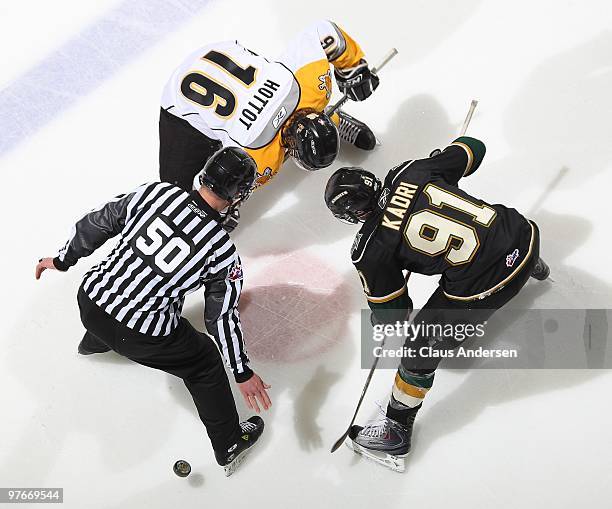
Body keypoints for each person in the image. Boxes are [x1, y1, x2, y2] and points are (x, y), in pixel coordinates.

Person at [35, 148, 270, 476]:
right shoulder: (221, 251)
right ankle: (229, 443)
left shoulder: (157, 193)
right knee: (204, 362)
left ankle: (93, 343)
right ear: (237, 194)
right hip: (141, 337)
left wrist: (62, 259)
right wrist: (242, 372)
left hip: (90, 302)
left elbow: (96, 222)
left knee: (126, 297)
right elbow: (220, 317)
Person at [324, 136, 550, 471]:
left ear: (353, 214)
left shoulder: (369, 248)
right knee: (494, 237)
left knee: (419, 347)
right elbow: (475, 147)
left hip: (495, 283)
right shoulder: (410, 171)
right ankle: (534, 265)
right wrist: (440, 160)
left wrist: (381, 315)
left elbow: (397, 315)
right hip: (526, 236)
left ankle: (396, 432)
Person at [160, 20, 380, 230]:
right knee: (177, 194)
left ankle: (332, 118)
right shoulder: (259, 157)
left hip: (218, 54)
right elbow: (210, 187)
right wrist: (225, 206)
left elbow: (323, 31)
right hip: (180, 99)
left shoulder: (314, 87)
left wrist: (353, 68)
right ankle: (333, 118)